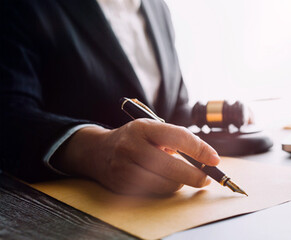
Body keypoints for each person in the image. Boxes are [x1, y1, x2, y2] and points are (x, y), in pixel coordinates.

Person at [0, 0, 220, 195]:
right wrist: (93, 148)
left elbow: (172, 108)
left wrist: (221, 112)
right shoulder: (21, 5)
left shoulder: (158, 7)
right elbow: (9, 116)